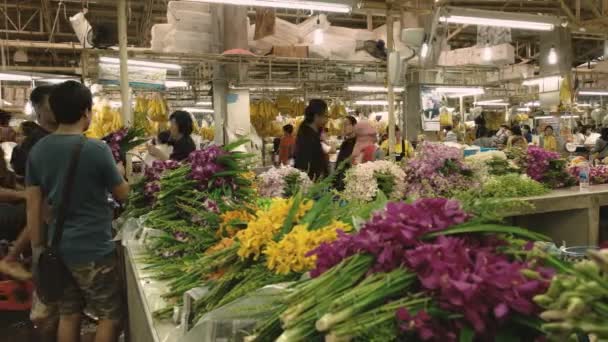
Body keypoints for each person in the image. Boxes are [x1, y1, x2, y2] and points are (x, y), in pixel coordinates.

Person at [25, 81, 129, 342]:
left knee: (69, 313)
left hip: (57, 249)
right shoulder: (96, 149)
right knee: (110, 315)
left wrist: (39, 249)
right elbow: (123, 194)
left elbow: (34, 205)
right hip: (93, 249)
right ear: (86, 112)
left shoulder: (38, 151)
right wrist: (120, 174)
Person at [11, 85, 58, 184]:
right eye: (53, 103)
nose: (58, 108)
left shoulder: (70, 136)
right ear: (37, 108)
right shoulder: (30, 144)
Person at [294, 99, 329, 179]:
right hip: (311, 183)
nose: (327, 120)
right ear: (317, 116)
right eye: (325, 116)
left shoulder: (311, 132)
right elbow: (304, 165)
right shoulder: (307, 137)